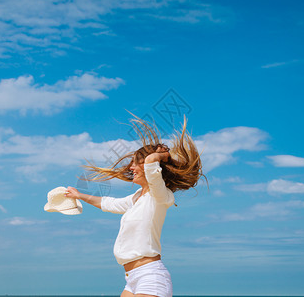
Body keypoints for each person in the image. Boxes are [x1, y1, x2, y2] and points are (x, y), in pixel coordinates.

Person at [65, 115, 205, 297]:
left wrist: (162, 155)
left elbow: (150, 164)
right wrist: (79, 195)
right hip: (132, 279)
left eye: (135, 162)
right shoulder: (137, 198)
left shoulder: (160, 196)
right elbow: (108, 203)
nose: (131, 167)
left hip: (150, 277)